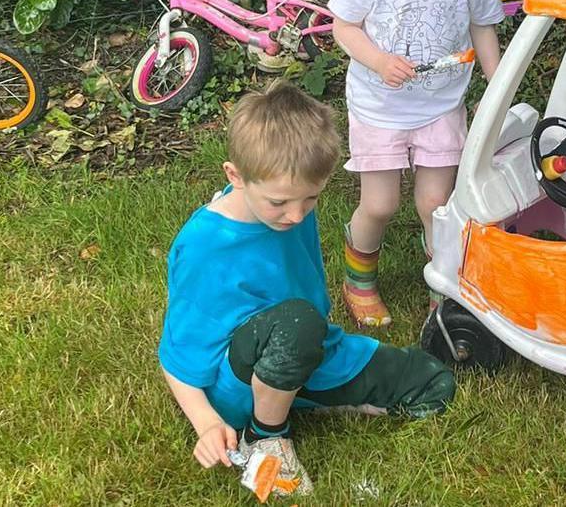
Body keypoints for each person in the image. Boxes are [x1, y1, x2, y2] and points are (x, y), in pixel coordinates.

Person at [158, 81, 456, 497]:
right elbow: (176, 358)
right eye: (279, 202)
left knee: (431, 383)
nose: (296, 215)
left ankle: (302, 394)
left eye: (310, 199)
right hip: (235, 380)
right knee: (297, 324)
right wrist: (207, 424)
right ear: (235, 176)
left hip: (303, 348)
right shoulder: (204, 246)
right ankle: (266, 436)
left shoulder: (289, 207)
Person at [328, 0, 505, 327]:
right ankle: (358, 278)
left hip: (442, 105)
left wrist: (498, 85)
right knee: (380, 204)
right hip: (379, 107)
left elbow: (482, 27)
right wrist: (379, 60)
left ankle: (444, 286)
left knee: (437, 204)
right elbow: (343, 25)